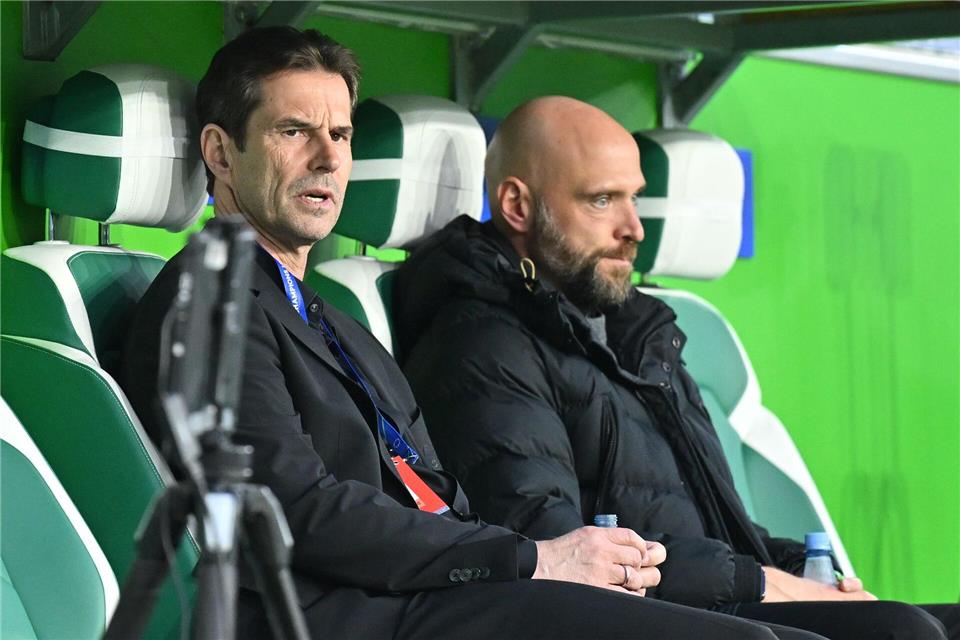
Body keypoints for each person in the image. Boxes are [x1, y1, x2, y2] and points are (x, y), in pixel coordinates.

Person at [119, 27, 823, 640]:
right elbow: (292, 510)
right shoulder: (208, 304)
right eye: (294, 132)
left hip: (437, 596)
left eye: (340, 134)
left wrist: (544, 561)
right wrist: (533, 559)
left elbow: (431, 489)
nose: (329, 160)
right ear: (219, 151)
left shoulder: (330, 320)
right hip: (344, 617)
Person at [393, 96, 958, 640]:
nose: (634, 227)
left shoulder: (630, 330)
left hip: (707, 596)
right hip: (648, 613)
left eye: (635, 198)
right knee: (899, 630)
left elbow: (713, 521)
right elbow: (552, 543)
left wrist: (807, 573)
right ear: (517, 206)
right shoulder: (481, 341)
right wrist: (762, 581)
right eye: (601, 200)